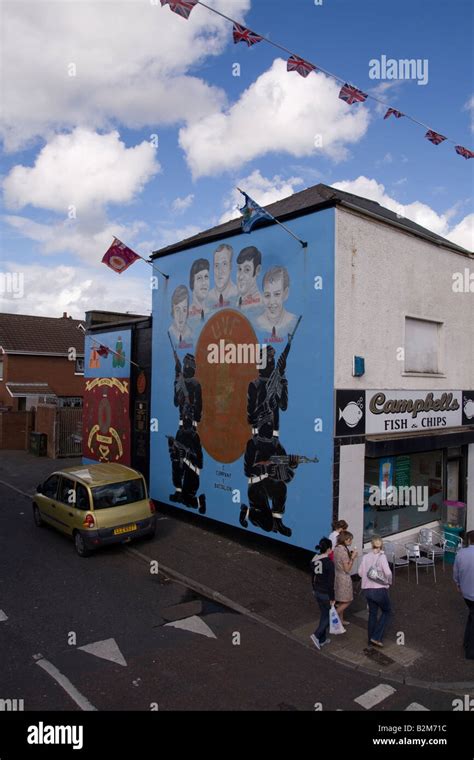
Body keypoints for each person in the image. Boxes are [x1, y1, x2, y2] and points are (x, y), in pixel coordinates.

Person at [358, 536, 393, 648]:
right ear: (381, 546)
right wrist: (388, 582)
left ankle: (370, 640)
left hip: (367, 590)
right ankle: (376, 637)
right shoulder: (382, 557)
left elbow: (360, 573)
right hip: (379, 591)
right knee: (387, 612)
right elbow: (388, 573)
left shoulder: (366, 556)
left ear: (371, 545)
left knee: (372, 614)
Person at [256, 266, 297, 341]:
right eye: (267, 295)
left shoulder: (294, 322)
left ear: (285, 294)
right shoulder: (256, 324)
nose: (272, 302)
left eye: (277, 294)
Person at [310, 537, 335, 650]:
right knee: (329, 616)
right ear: (329, 548)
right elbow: (330, 583)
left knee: (324, 614)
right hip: (325, 593)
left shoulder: (314, 560)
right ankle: (316, 635)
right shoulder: (329, 563)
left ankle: (322, 640)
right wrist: (332, 597)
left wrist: (314, 588)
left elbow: (313, 577)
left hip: (317, 591)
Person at [453, 530, 474, 660]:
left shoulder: (461, 554)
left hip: (466, 594)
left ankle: (466, 643)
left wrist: (458, 585)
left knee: (472, 616)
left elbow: (456, 574)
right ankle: (470, 652)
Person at [334, 531, 358, 625]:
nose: (351, 542)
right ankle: (334, 615)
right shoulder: (343, 552)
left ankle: (341, 620)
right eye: (350, 540)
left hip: (337, 576)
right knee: (348, 600)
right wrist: (352, 558)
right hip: (344, 578)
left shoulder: (336, 548)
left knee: (341, 600)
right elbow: (347, 569)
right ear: (346, 540)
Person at [208, 244, 238, 308]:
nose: (220, 271)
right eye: (216, 265)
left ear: (230, 266)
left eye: (224, 264)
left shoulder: (238, 294)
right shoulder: (207, 299)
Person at [236, 246, 263, 311]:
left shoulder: (258, 305)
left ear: (257, 270)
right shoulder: (239, 299)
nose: (240, 277)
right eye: (239, 269)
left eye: (247, 270)